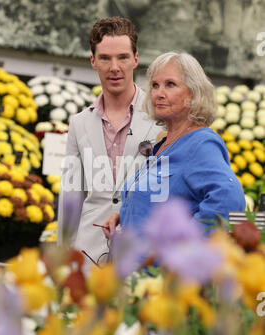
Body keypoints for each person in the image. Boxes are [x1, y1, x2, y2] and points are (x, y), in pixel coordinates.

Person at [102, 51, 246, 237]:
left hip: (161, 267)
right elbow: (161, 201)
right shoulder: (163, 143)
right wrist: (125, 216)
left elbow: (229, 200)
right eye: (155, 85)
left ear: (194, 93)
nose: (159, 94)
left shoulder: (200, 143)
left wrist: (180, 245)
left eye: (170, 84)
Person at [57, 17, 160, 268]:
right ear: (93, 61)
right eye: (105, 58)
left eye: (123, 57)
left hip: (144, 252)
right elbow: (70, 198)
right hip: (87, 254)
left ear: (136, 59)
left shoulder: (161, 118)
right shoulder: (79, 123)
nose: (115, 67)